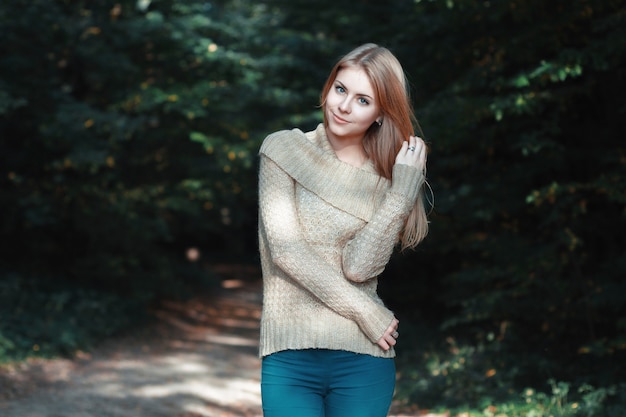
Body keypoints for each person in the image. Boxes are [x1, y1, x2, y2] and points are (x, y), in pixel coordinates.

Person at [257, 43, 429, 417]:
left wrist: (401, 192)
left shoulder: (387, 178)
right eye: (341, 89)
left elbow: (358, 268)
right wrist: (366, 313)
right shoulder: (283, 149)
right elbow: (286, 252)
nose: (344, 106)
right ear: (329, 86)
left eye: (363, 100)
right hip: (290, 356)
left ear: (382, 113)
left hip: (364, 360)